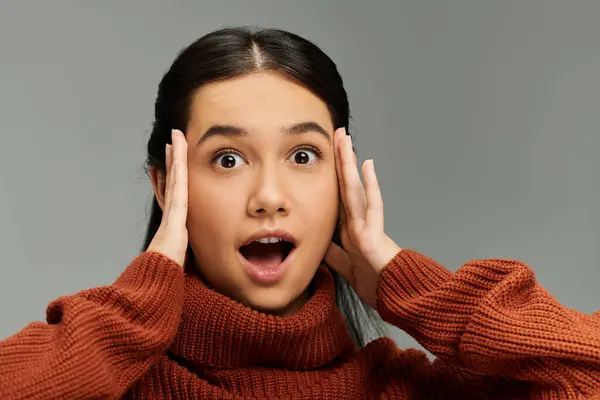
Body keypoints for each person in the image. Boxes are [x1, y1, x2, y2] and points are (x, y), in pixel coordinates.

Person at [0, 26, 599, 400]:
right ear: (167, 184)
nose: (269, 196)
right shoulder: (110, 379)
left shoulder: (404, 390)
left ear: (342, 180)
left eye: (304, 155)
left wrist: (418, 289)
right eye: (229, 159)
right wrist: (135, 312)